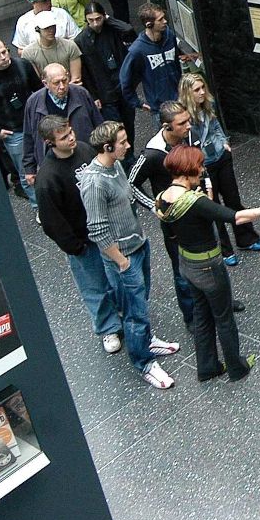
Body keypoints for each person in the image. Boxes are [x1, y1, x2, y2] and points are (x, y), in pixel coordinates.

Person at [157, 144, 260, 382]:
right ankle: (236, 367)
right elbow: (236, 217)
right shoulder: (194, 201)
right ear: (185, 172)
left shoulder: (162, 199)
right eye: (198, 167)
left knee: (202, 314)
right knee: (223, 317)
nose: (202, 171)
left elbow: (171, 234)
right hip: (208, 266)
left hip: (186, 263)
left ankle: (207, 366)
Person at [79, 121, 180, 390]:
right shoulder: (94, 182)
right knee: (134, 313)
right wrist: (121, 261)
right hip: (123, 257)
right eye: (122, 142)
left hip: (138, 244)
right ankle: (144, 363)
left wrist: (153, 207)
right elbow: (97, 230)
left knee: (141, 301)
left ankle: (146, 341)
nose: (127, 145)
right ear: (107, 147)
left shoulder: (117, 166)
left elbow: (131, 190)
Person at [35, 116, 124, 354]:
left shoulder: (84, 150)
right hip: (83, 241)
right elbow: (52, 221)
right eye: (64, 137)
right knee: (95, 287)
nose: (71, 138)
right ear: (49, 142)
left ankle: (122, 312)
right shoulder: (47, 178)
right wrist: (75, 247)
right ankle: (108, 328)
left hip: (105, 231)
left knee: (116, 276)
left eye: (71, 132)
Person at [129, 101, 205, 328]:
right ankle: (191, 316)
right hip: (175, 220)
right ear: (167, 126)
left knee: (210, 256)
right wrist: (154, 206)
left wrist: (207, 188)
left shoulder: (190, 136)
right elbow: (131, 183)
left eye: (188, 120)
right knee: (182, 270)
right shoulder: (152, 153)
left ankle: (218, 300)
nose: (188, 126)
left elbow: (203, 164)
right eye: (182, 123)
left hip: (199, 207)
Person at [179, 73, 260, 266]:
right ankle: (225, 249)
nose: (202, 93)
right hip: (203, 166)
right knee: (214, 206)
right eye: (197, 90)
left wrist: (224, 143)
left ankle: (246, 238)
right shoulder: (185, 118)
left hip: (220, 157)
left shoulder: (208, 107)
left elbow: (217, 127)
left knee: (233, 199)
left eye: (202, 88)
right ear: (188, 93)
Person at [0, 38, 43, 210]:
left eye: (5, 52)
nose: (4, 57)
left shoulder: (23, 65)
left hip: (37, 124)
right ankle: (38, 207)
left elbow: (39, 90)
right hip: (13, 131)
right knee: (26, 172)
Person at [22, 64, 102, 187]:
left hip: (85, 159)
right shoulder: (33, 102)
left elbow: (98, 125)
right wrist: (29, 168)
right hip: (55, 164)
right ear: (45, 83)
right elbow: (29, 136)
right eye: (56, 83)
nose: (62, 87)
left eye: (65, 80)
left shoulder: (81, 94)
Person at [75, 1, 137, 150]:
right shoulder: (81, 40)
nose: (95, 23)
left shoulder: (112, 30)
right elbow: (85, 73)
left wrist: (110, 20)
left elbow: (128, 30)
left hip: (122, 86)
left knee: (129, 124)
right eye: (91, 20)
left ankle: (130, 152)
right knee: (114, 130)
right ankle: (122, 159)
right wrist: (93, 95)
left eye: (98, 19)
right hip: (104, 92)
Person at [120, 3, 185, 126]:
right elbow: (125, 80)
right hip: (160, 110)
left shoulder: (169, 35)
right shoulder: (137, 50)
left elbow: (176, 64)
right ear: (149, 25)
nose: (165, 21)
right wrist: (138, 103)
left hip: (180, 101)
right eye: (160, 19)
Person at [21, 11, 82, 84]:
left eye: (53, 27)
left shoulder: (70, 46)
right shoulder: (29, 53)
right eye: (46, 28)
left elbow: (76, 78)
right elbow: (36, 83)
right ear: (38, 29)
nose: (51, 30)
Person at [12, 0, 79, 50]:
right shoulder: (23, 21)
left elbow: (75, 37)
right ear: (33, 3)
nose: (49, 3)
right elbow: (21, 49)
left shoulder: (61, 13)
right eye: (44, 1)